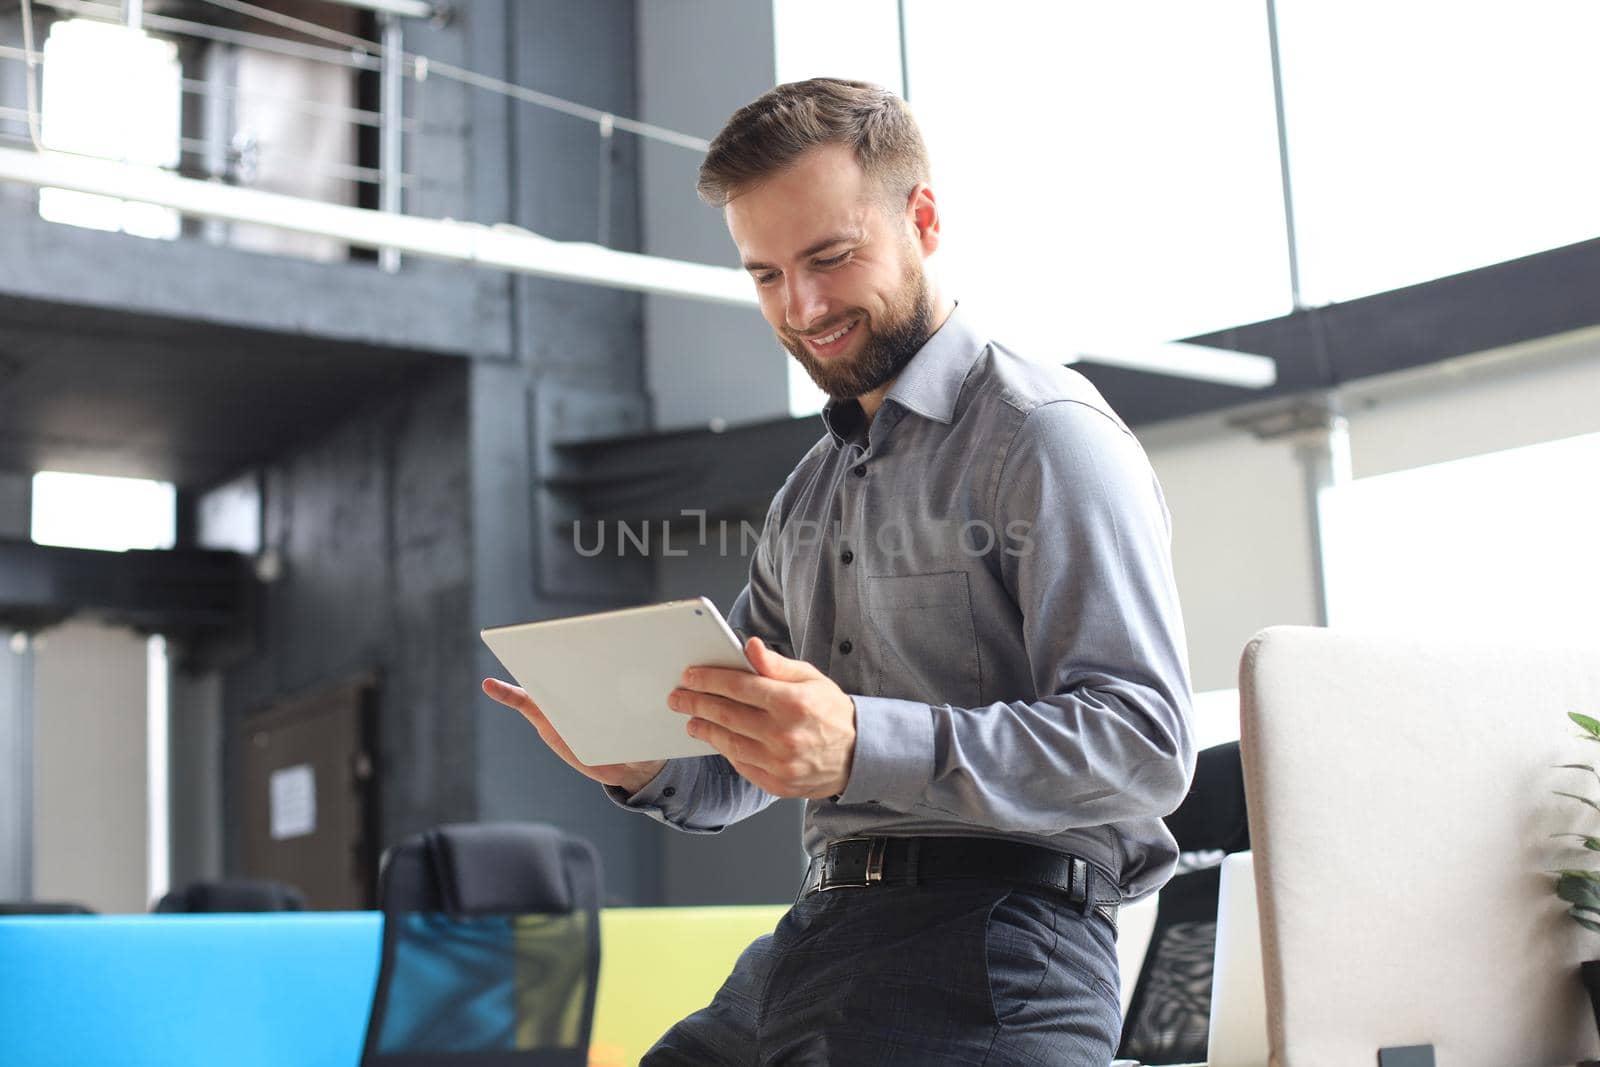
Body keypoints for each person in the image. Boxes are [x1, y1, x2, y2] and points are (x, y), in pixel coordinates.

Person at [483, 78, 1195, 1065]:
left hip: (995, 945)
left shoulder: (1043, 439)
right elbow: (745, 767)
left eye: (830, 257)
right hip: (821, 936)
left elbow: (1145, 743)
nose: (802, 306)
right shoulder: (807, 496)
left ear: (924, 218)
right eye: (766, 275)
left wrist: (864, 741)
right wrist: (642, 758)